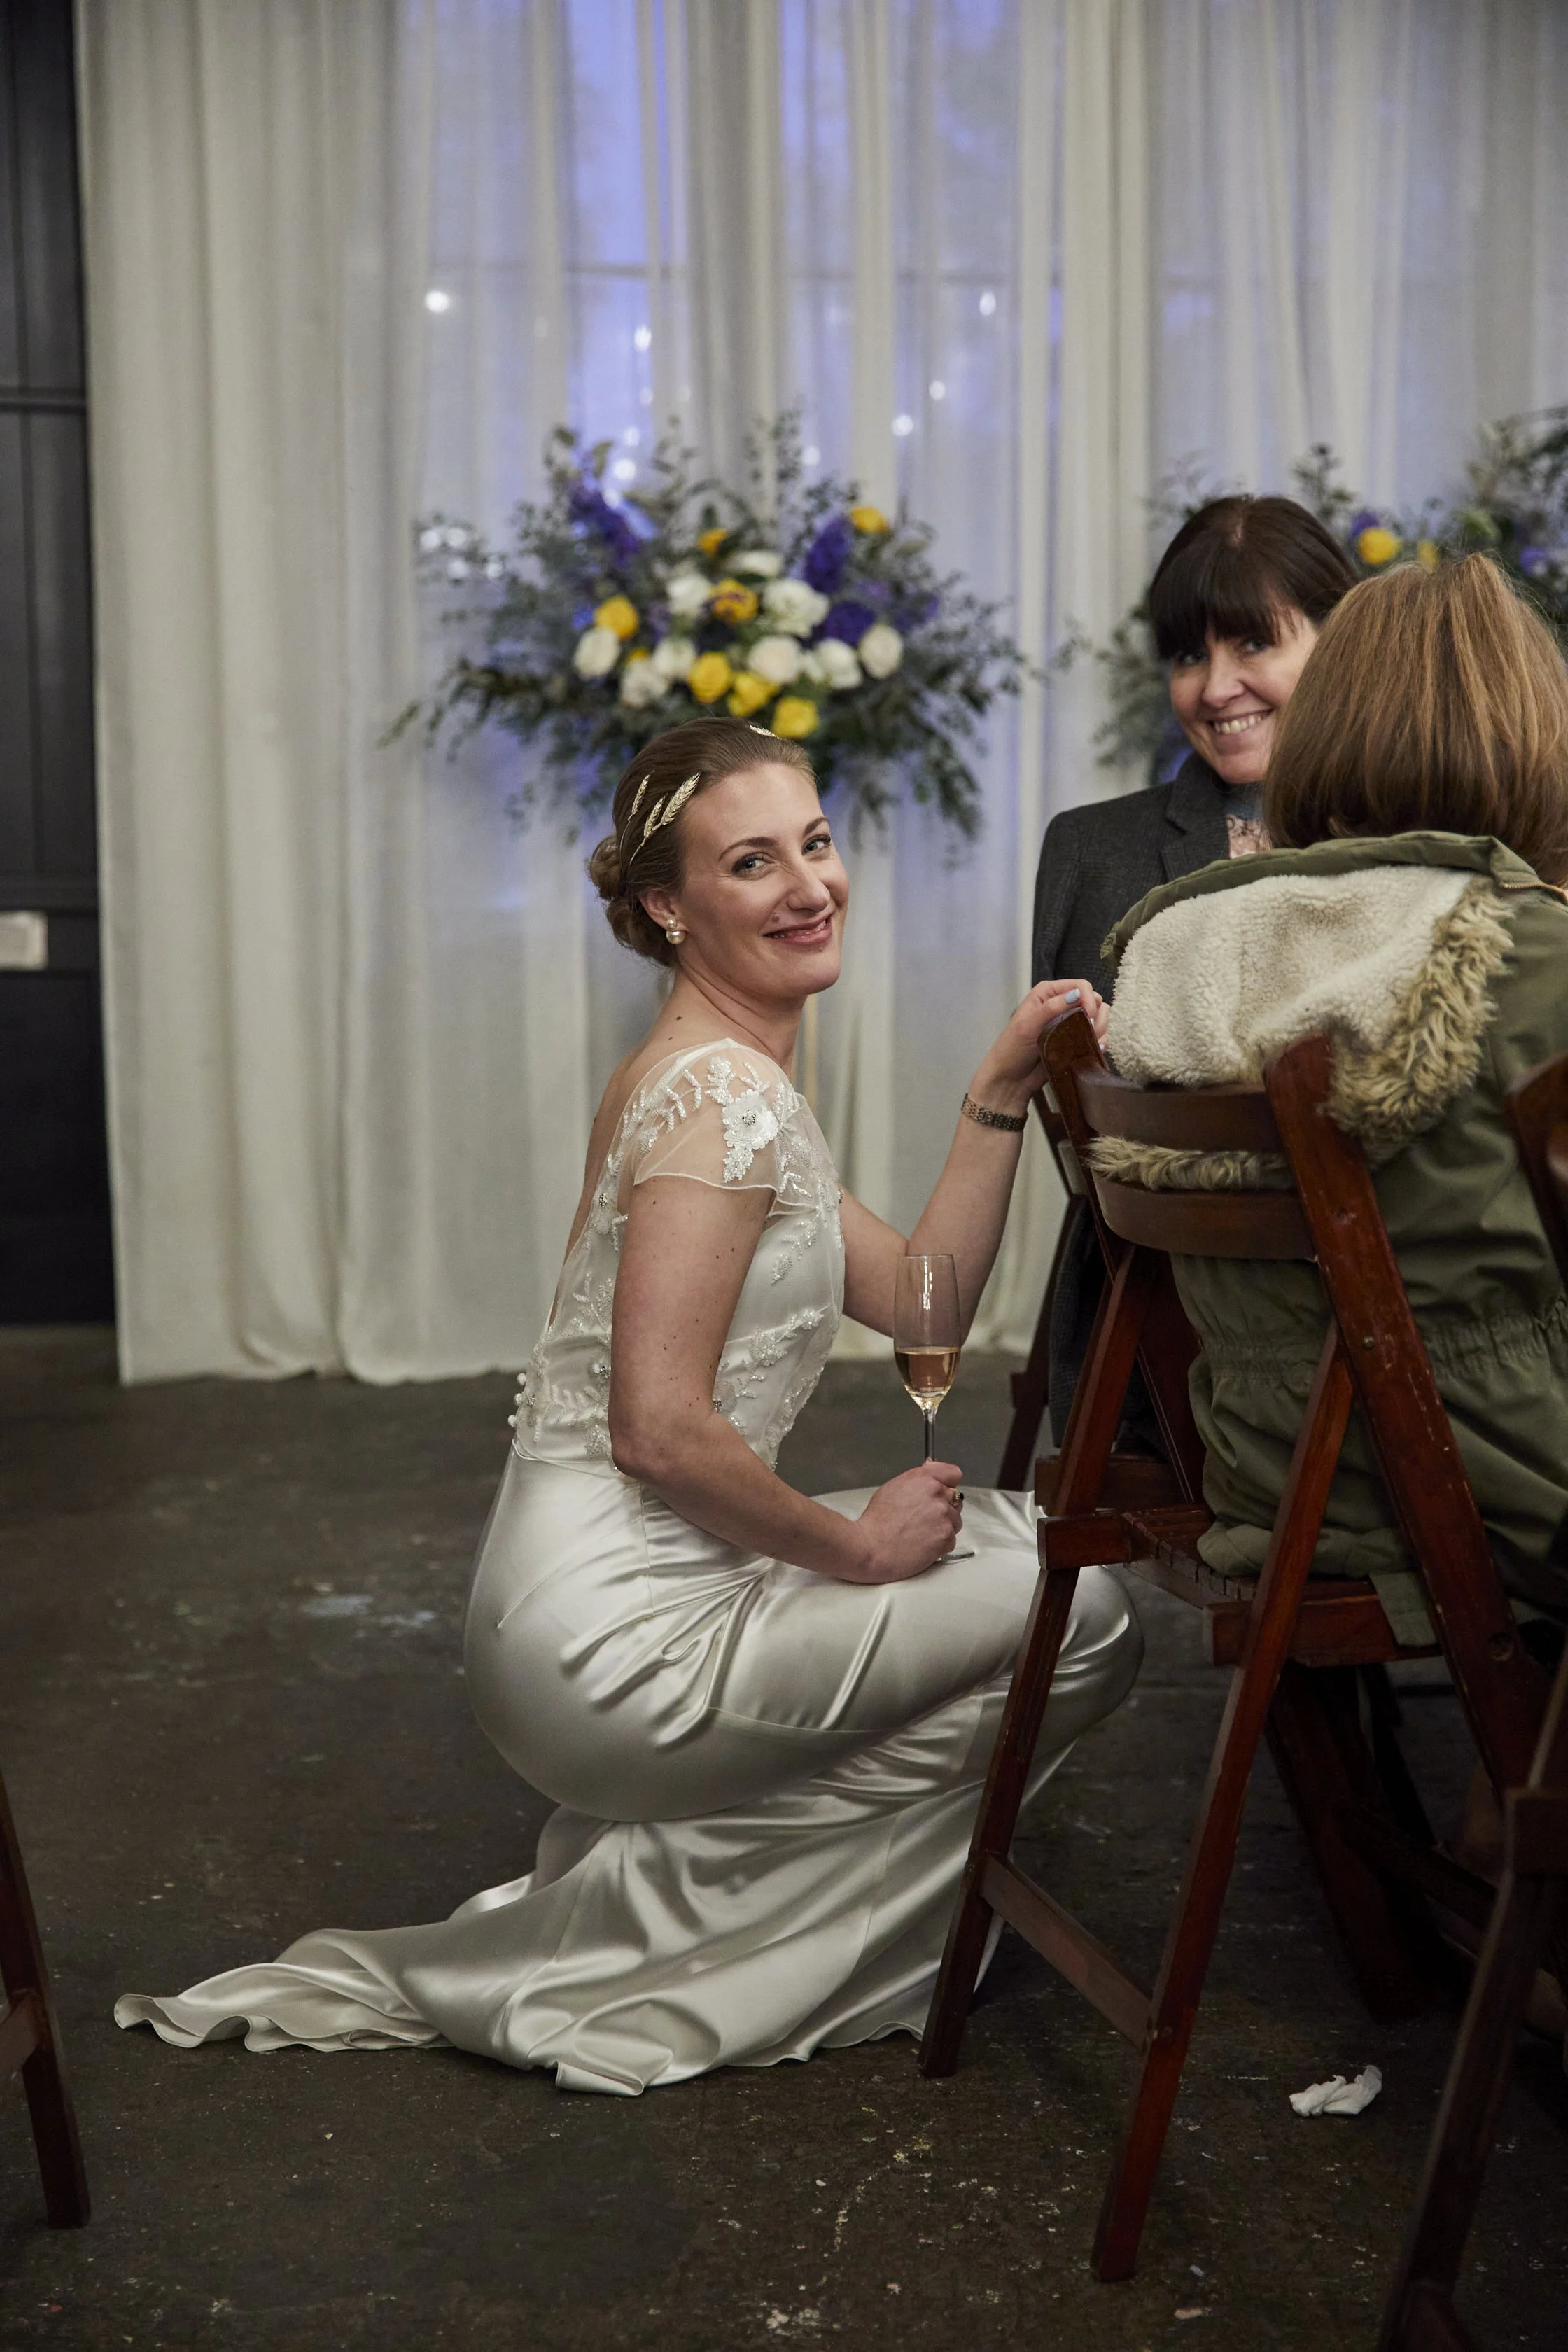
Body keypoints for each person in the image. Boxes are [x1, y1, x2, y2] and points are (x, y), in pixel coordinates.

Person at [117, 716, 1143, 2094]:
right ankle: (743, 1924)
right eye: (752, 863)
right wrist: (856, 1553)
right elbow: (655, 1430)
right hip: (615, 1645)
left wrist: (993, 1094)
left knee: (1027, 1542)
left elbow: (921, 1306)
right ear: (667, 905)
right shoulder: (722, 1097)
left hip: (591, 1602)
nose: (809, 886)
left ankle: (696, 1881)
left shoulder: (720, 1078)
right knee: (1089, 1610)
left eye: (818, 845)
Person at [1096, 554, 1568, 1655]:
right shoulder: (1521, 947)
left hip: (1274, 1459)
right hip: (1491, 1465)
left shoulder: (1180, 941)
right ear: (1531, 730)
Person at [1031, 496, 1358, 1444]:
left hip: (1399, 1318)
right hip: (1167, 1340)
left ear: (1342, 642)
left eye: (1252, 645)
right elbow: (1092, 1149)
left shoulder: (1422, 842)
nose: (1216, 689)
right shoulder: (1095, 853)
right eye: (1187, 656)